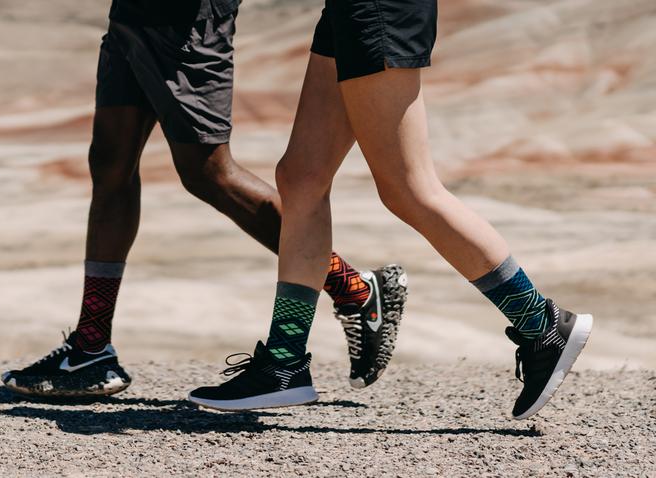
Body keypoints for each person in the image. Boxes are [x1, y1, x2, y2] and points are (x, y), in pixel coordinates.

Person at [188, 0, 593, 419]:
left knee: (409, 188)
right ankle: (283, 363)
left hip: (379, 7)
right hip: (349, 9)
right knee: (301, 177)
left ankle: (539, 323)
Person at [0, 0, 409, 398]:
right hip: (132, 14)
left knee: (209, 173)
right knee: (110, 164)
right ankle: (90, 349)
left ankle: (352, 287)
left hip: (186, 20)